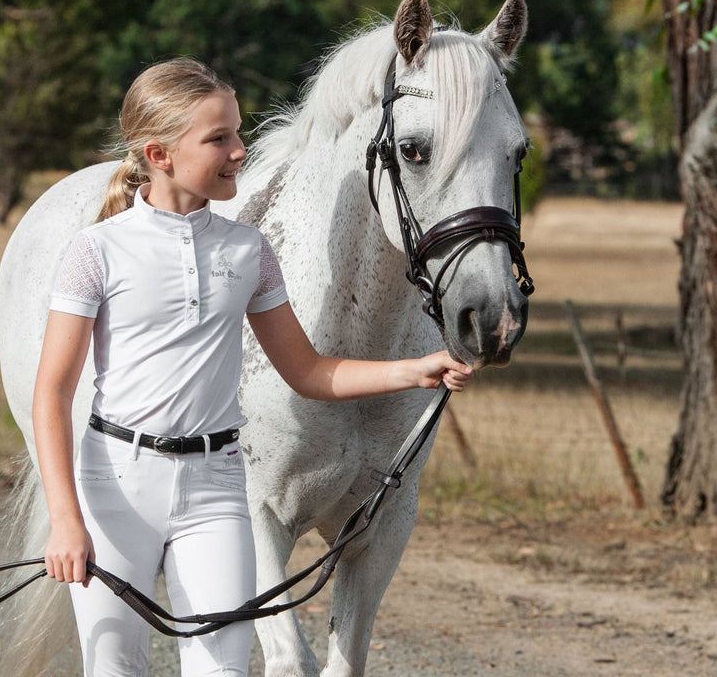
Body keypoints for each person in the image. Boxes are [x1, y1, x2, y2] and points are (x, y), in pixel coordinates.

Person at [32, 57, 473, 677]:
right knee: (115, 668)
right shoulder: (96, 251)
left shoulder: (249, 249)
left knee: (224, 669)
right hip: (117, 488)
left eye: (238, 133)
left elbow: (309, 372)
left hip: (217, 488)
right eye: (219, 139)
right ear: (158, 154)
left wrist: (415, 369)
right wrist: (64, 519)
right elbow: (52, 394)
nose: (241, 150)